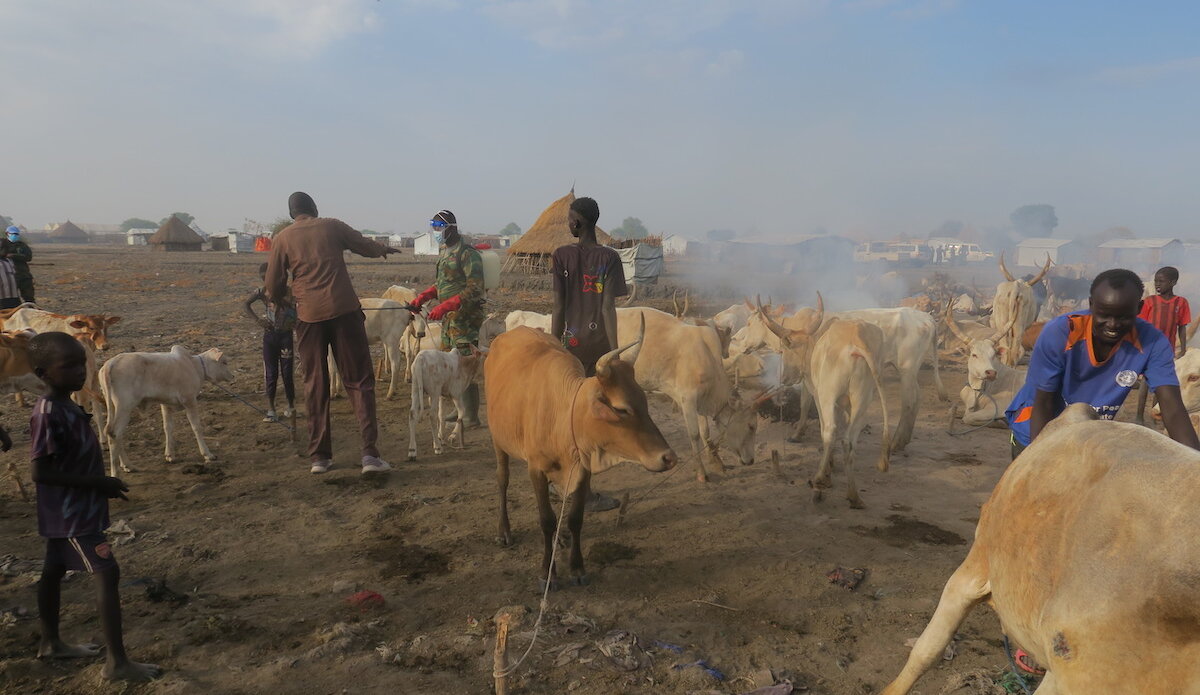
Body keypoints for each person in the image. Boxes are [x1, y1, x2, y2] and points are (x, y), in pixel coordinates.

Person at [28, 332, 161, 682]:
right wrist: (99, 484)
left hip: (77, 508)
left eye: (81, 364)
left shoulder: (71, 404)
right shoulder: (47, 412)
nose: (79, 372)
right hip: (71, 513)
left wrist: (102, 487)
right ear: (42, 373)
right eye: (68, 366)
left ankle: (51, 642)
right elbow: (41, 472)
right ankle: (117, 663)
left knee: (54, 570)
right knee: (106, 571)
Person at [266, 192, 401, 475]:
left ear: (292, 213)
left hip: (308, 317)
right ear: (314, 208)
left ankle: (320, 457)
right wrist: (382, 249)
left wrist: (284, 300)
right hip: (345, 312)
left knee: (315, 384)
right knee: (360, 381)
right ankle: (370, 456)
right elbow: (363, 245)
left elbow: (273, 284)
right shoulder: (332, 226)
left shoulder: (282, 238)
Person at [1006, 268, 1200, 461]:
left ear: (1139, 309)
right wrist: (1039, 460)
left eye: (1124, 316)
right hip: (1035, 431)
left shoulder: (1152, 342)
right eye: (1104, 315)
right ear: (1091, 305)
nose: (1113, 324)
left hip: (1088, 437)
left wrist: (1195, 464)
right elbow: (1044, 401)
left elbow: (1172, 408)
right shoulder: (1060, 333)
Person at [549, 196, 628, 513]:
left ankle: (564, 483)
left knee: (566, 419)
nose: (568, 223)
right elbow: (608, 308)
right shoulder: (609, 258)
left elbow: (557, 306)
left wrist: (553, 348)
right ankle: (585, 492)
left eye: (569, 219)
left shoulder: (561, 256)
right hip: (598, 350)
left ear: (578, 222)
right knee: (590, 422)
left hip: (569, 348)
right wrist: (615, 353)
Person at [405, 210, 485, 427]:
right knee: (451, 362)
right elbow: (443, 285)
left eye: (440, 227)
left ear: (452, 228)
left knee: (466, 361)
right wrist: (425, 296)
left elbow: (475, 289)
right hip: (449, 319)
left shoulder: (468, 254)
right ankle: (458, 410)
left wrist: (448, 305)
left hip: (465, 318)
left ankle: (470, 416)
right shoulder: (445, 252)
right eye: (435, 227)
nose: (436, 232)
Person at [1135, 266, 1191, 424]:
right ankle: (1139, 416)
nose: (1157, 284)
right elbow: (1140, 325)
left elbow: (1182, 327)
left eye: (1161, 281)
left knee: (1160, 385)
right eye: (1156, 281)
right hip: (1149, 348)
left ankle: (1154, 416)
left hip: (1167, 350)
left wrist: (1184, 348)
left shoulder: (1181, 302)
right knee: (1145, 382)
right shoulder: (1150, 301)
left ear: (1173, 282)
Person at [243, 262, 297, 423]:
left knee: (287, 373)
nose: (267, 281)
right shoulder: (262, 292)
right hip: (270, 337)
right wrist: (258, 320)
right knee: (271, 373)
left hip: (286, 336)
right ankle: (271, 409)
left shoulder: (291, 292)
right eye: (263, 278)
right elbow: (246, 304)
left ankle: (290, 407)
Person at [4, 226, 34, 303]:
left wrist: (13, 256)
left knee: (29, 298)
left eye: (17, 234)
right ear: (7, 234)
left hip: (23, 275)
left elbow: (28, 257)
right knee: (10, 299)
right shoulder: (2, 244)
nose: (15, 236)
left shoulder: (22, 245)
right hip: (8, 276)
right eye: (13, 234)